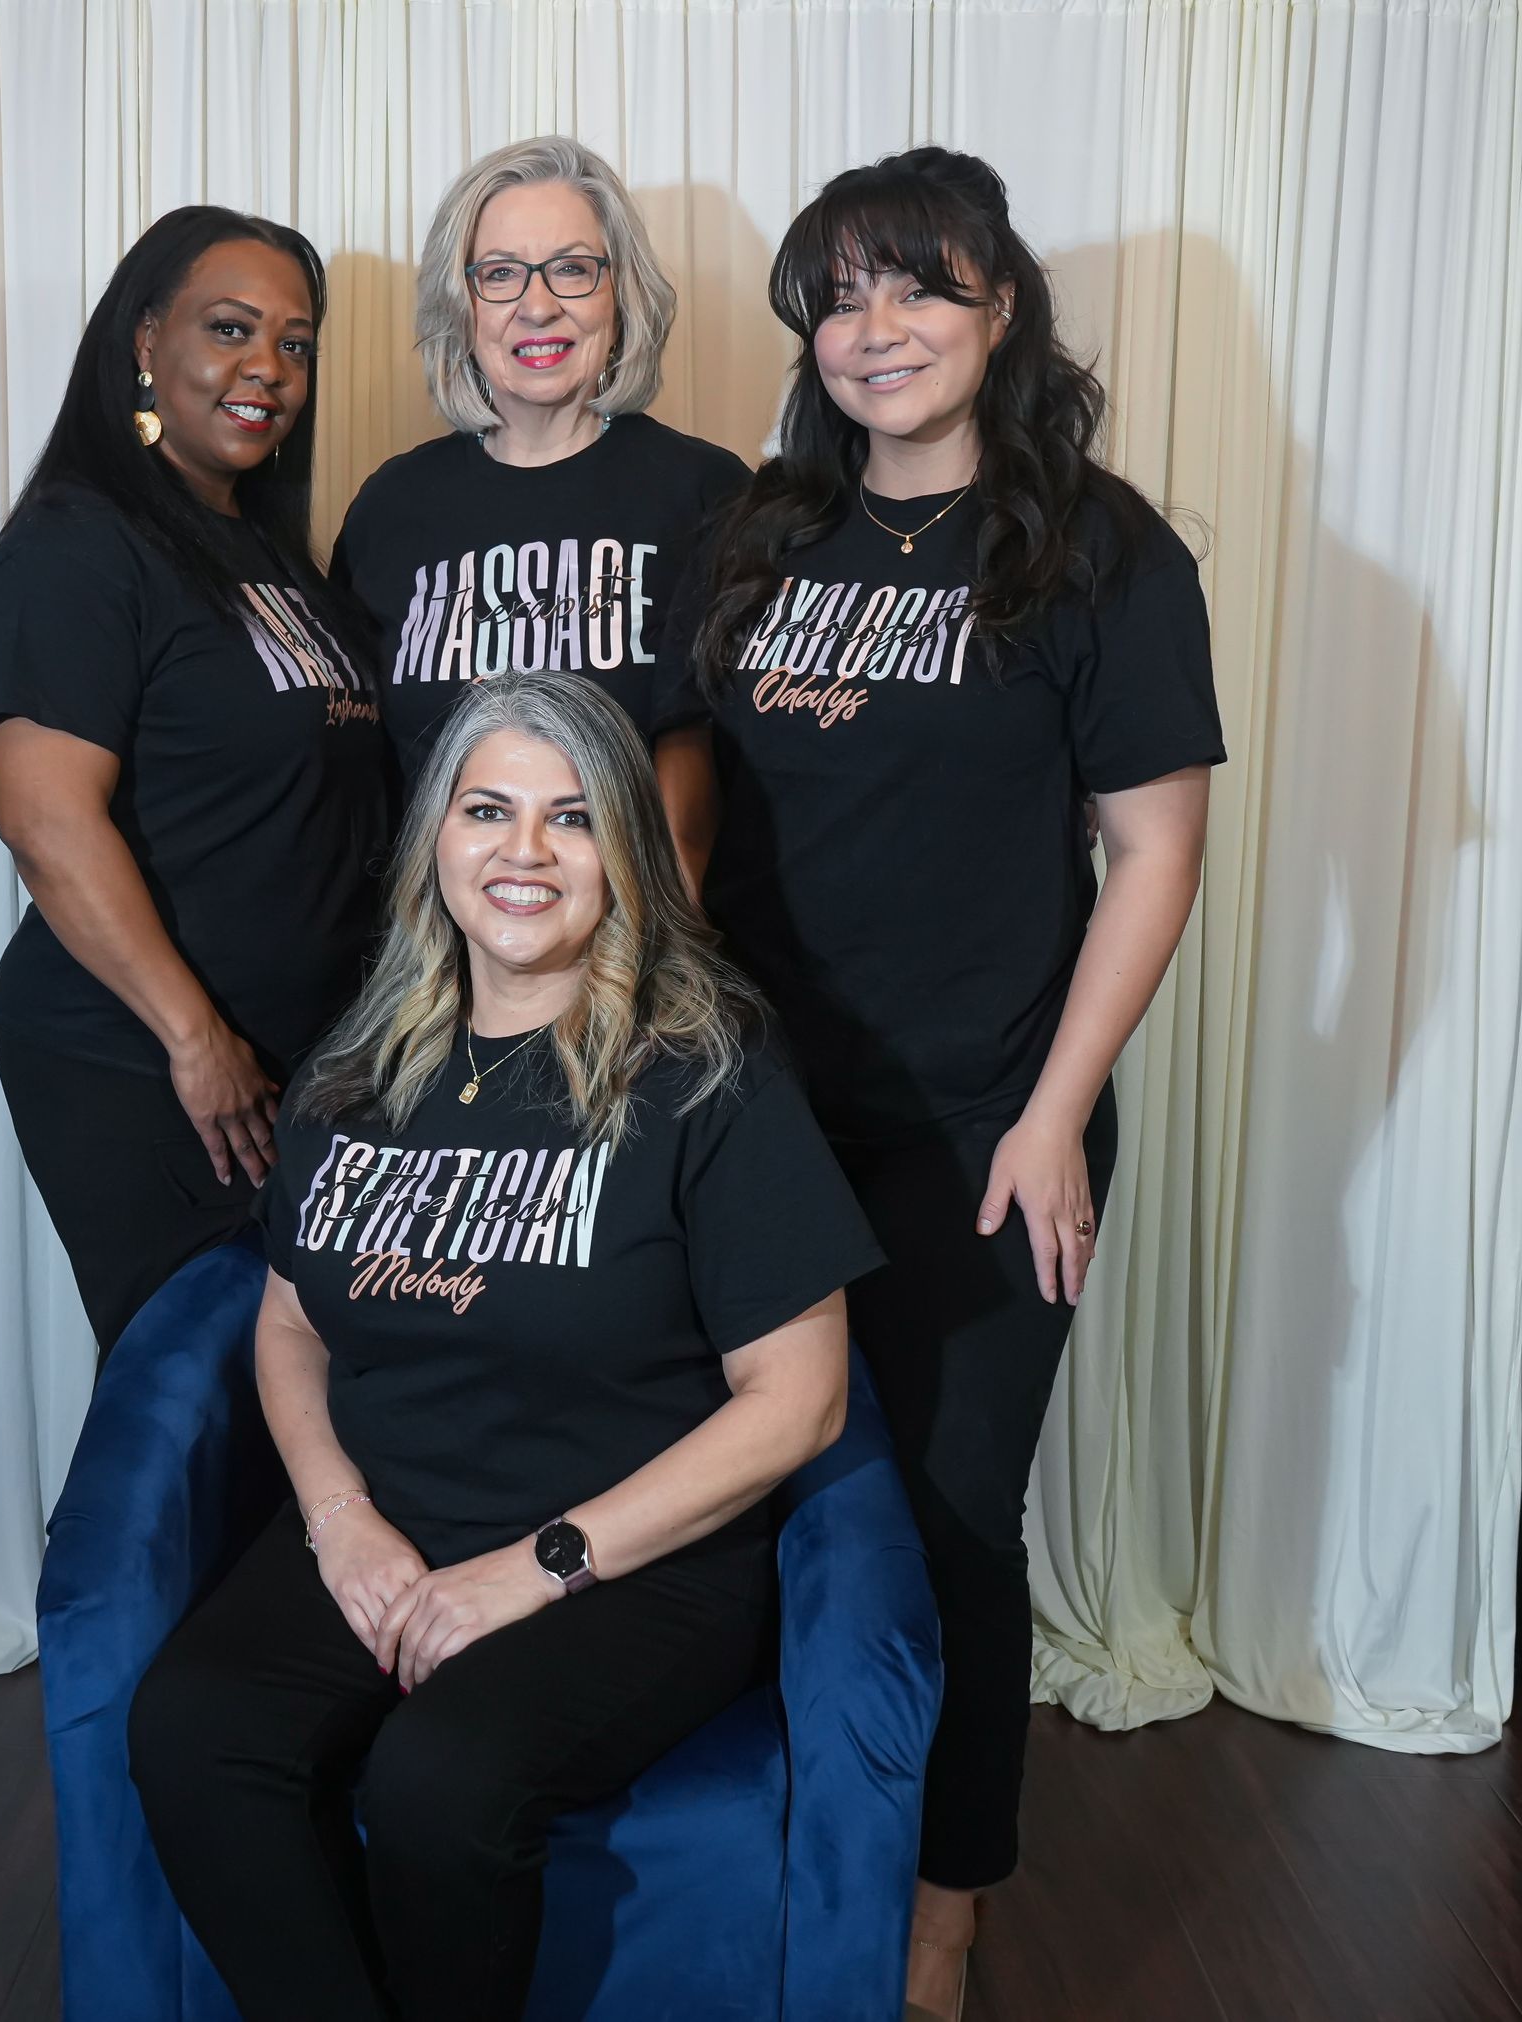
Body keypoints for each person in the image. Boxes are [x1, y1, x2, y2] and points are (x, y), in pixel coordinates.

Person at [654, 148, 1226, 2020]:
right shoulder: (761, 537)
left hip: (991, 1120)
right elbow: (696, 817)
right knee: (765, 1490)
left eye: (920, 287)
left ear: (1000, 310)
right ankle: (783, 1846)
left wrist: (1056, 1113)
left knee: (958, 1514)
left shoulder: (1096, 547)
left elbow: (1150, 851)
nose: (873, 327)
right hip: (757, 1122)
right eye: (837, 293)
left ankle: (944, 1901)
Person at [126, 670, 882, 2022]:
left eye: (572, 817)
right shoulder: (357, 1068)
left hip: (629, 1561)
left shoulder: (707, 1070)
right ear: (436, 838)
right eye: (488, 809)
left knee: (440, 1778)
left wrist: (534, 1573)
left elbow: (803, 1399)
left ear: (625, 855)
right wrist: (339, 1517)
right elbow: (291, 1320)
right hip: (396, 1520)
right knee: (191, 1730)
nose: (524, 851)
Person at [0, 206, 387, 1359]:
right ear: (145, 341)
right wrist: (193, 1037)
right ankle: (112, 1552)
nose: (268, 369)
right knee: (190, 1383)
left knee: (290, 1391)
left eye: (295, 344)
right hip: (140, 1057)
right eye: (231, 329)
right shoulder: (77, 545)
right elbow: (45, 821)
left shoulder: (266, 553)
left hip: (295, 1059)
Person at [331, 135, 750, 790]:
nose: (537, 306)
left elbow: (734, 757)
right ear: (461, 306)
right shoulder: (391, 505)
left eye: (573, 269)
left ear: (620, 294)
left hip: (640, 894)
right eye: (499, 273)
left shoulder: (707, 494)